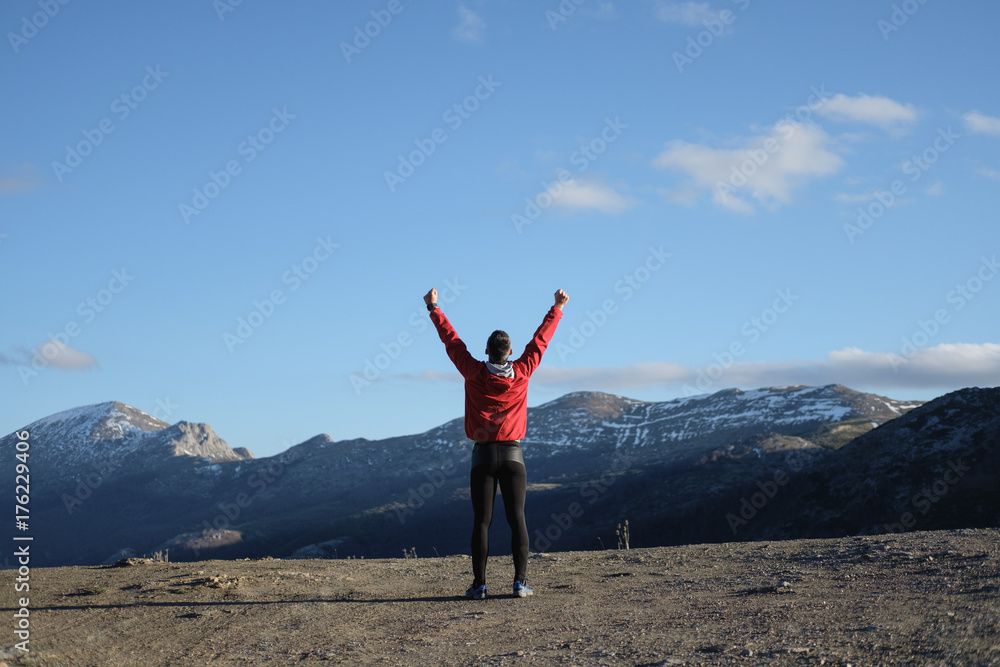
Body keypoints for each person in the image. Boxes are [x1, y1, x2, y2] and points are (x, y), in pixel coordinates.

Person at [424, 287, 568, 599]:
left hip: (483, 456)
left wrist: (434, 308)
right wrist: (556, 308)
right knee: (518, 519)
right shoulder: (523, 371)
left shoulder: (473, 371)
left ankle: (480, 586)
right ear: (510, 352)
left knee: (482, 521)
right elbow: (540, 342)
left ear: (487, 351)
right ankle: (519, 583)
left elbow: (452, 342)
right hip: (514, 455)